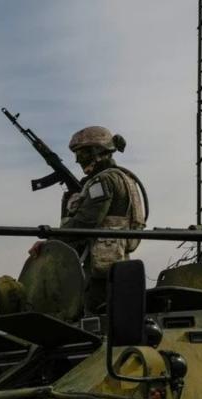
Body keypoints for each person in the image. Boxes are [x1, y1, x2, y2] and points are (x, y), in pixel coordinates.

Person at [30, 125, 147, 313]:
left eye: (82, 153)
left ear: (98, 151)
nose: (78, 160)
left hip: (100, 271)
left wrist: (51, 241)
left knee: (93, 317)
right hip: (116, 263)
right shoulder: (124, 178)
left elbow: (85, 222)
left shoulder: (104, 181)